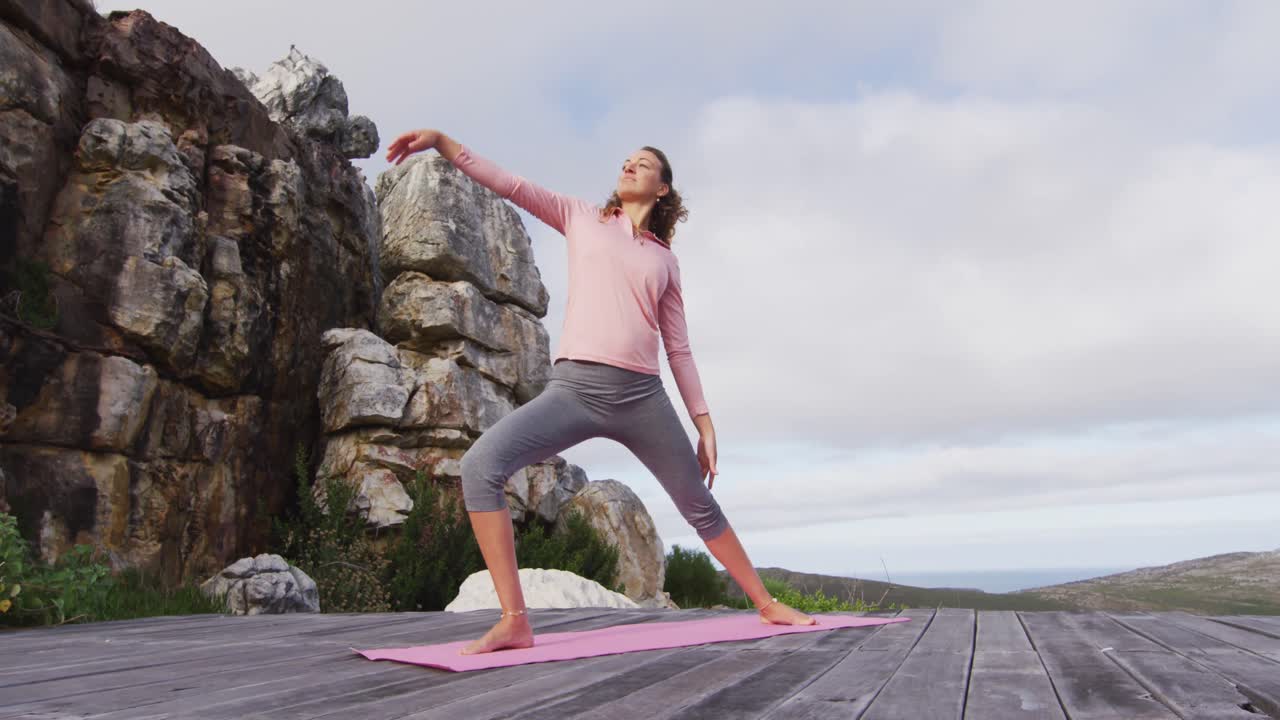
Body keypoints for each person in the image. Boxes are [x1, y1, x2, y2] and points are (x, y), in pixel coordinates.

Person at [384, 129, 817, 656]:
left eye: (644, 164)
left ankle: (768, 605)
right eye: (627, 160)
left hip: (642, 399)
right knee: (480, 467)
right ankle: (514, 620)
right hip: (574, 391)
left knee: (698, 504)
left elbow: (678, 349)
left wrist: (703, 421)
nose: (630, 166)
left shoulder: (665, 262)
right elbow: (509, 184)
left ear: (663, 189)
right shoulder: (580, 217)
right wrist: (444, 143)